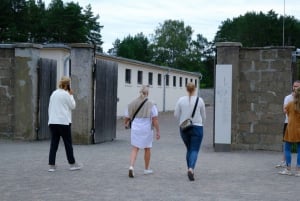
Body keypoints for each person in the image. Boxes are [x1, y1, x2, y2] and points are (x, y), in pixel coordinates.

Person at [124, 85, 160, 178]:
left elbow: (127, 117)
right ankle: (146, 169)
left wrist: (126, 124)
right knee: (147, 148)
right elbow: (155, 119)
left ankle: (131, 167)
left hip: (135, 127)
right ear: (148, 93)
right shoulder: (151, 104)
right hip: (146, 128)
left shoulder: (132, 103)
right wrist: (158, 131)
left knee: (135, 148)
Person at [48, 76, 81, 172]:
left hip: (53, 122)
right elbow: (73, 106)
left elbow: (50, 107)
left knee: (54, 144)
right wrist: (71, 95)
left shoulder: (53, 93)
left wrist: (50, 120)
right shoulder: (66, 94)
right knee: (67, 144)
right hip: (63, 122)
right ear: (67, 85)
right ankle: (72, 164)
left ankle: (51, 166)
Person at [174, 82, 206, 181]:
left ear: (186, 89)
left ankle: (189, 168)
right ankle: (191, 169)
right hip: (197, 128)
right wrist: (201, 123)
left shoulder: (180, 100)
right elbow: (203, 116)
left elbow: (176, 115)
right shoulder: (199, 100)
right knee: (194, 149)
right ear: (195, 89)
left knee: (189, 149)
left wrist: (182, 120)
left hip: (184, 128)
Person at [276, 80, 300, 168]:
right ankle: (284, 161)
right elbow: (285, 111)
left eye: (297, 86)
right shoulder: (288, 97)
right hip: (288, 123)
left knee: (293, 147)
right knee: (286, 145)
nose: (295, 88)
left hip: (295, 124)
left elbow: (286, 110)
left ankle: (290, 168)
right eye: (294, 86)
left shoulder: (291, 102)